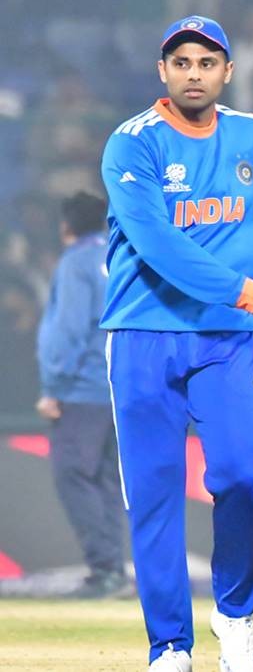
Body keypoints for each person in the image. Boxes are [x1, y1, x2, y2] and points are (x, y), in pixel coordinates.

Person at [99, 15, 253, 672]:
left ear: (227, 71)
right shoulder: (132, 143)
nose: (193, 73)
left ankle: (236, 615)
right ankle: (170, 645)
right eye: (181, 62)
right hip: (142, 335)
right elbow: (159, 245)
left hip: (225, 342)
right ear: (162, 71)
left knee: (242, 476)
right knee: (155, 496)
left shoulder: (251, 136)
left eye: (205, 62)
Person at [36, 191, 128, 599]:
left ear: (65, 226)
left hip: (80, 389)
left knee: (72, 473)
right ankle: (115, 569)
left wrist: (54, 386)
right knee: (106, 480)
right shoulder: (117, 254)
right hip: (117, 388)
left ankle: (105, 569)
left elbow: (68, 329)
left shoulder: (75, 262)